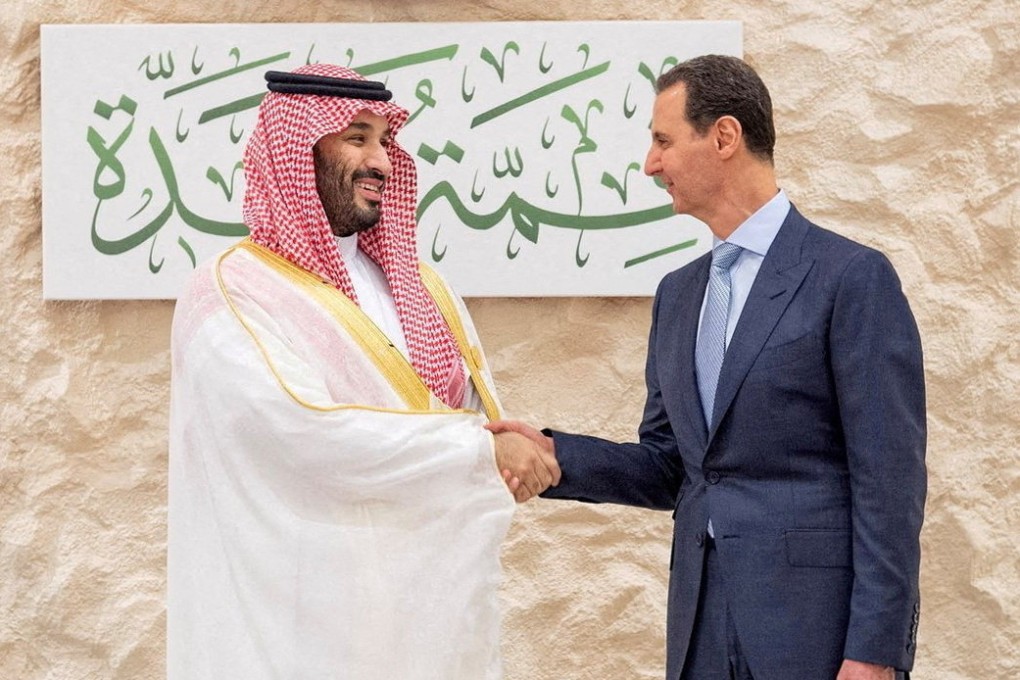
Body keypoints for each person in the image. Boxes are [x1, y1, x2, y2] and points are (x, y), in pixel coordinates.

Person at [490, 55, 926, 680]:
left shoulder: (851, 279)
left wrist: (876, 652)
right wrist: (559, 457)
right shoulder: (679, 294)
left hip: (816, 637)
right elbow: (675, 466)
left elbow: (890, 486)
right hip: (699, 628)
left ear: (724, 136)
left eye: (663, 141)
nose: (650, 164)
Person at [167, 64, 558, 680]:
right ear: (296, 152)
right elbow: (300, 433)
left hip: (429, 613)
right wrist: (478, 453)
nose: (381, 159)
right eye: (356, 137)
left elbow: (476, 415)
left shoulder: (426, 288)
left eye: (385, 140)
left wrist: (500, 449)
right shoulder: (230, 292)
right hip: (298, 621)